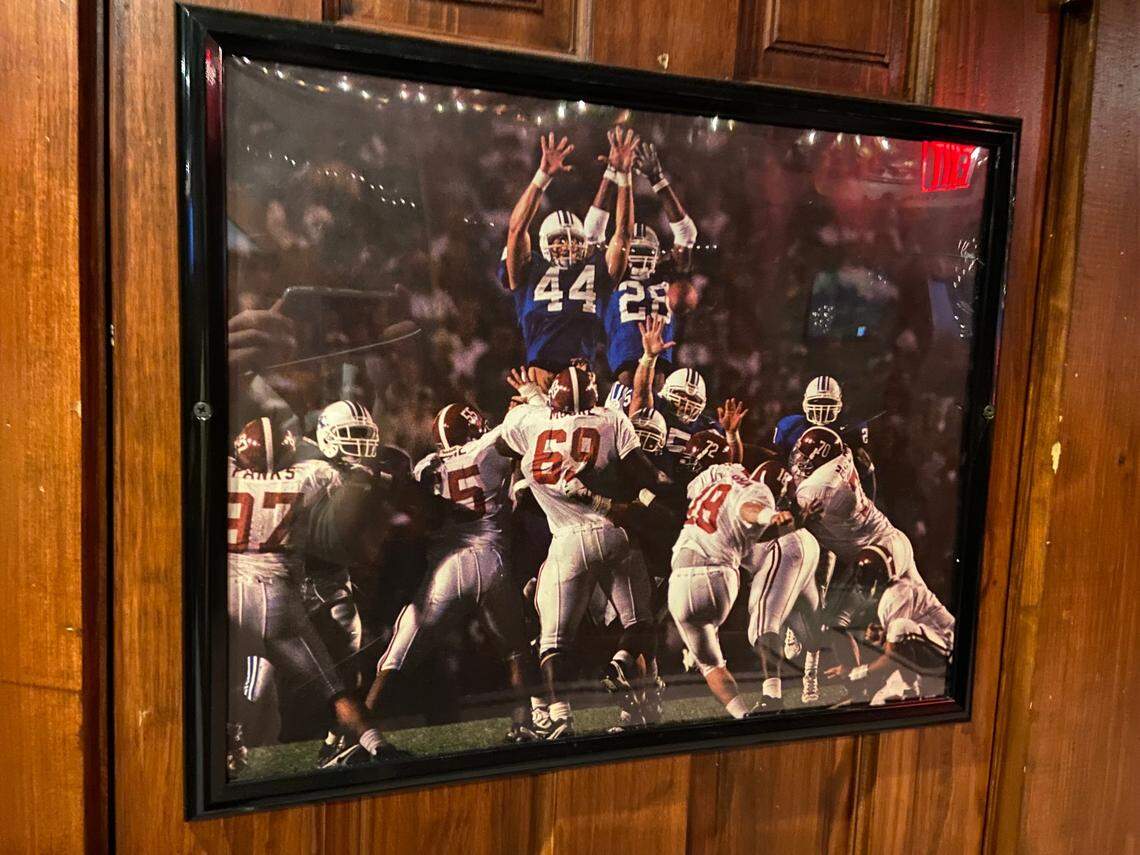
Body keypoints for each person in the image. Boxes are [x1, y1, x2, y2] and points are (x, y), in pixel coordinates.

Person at [500, 128, 638, 388]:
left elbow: (624, 234)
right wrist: (542, 176)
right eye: (559, 240)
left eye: (573, 239)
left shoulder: (595, 268)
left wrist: (624, 176)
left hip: (583, 382)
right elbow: (517, 229)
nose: (566, 246)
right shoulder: (530, 269)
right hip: (540, 380)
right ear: (544, 242)